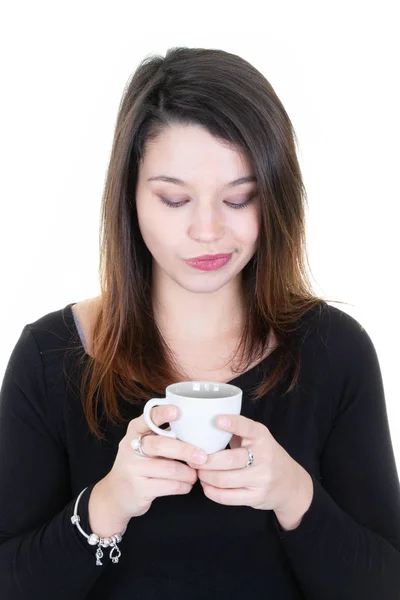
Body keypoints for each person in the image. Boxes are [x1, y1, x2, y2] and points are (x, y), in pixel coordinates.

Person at [1, 46, 400, 600]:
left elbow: (384, 582)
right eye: (174, 199)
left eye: (239, 199)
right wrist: (105, 506)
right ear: (131, 199)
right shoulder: (50, 356)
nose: (208, 231)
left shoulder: (336, 351)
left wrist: (295, 496)